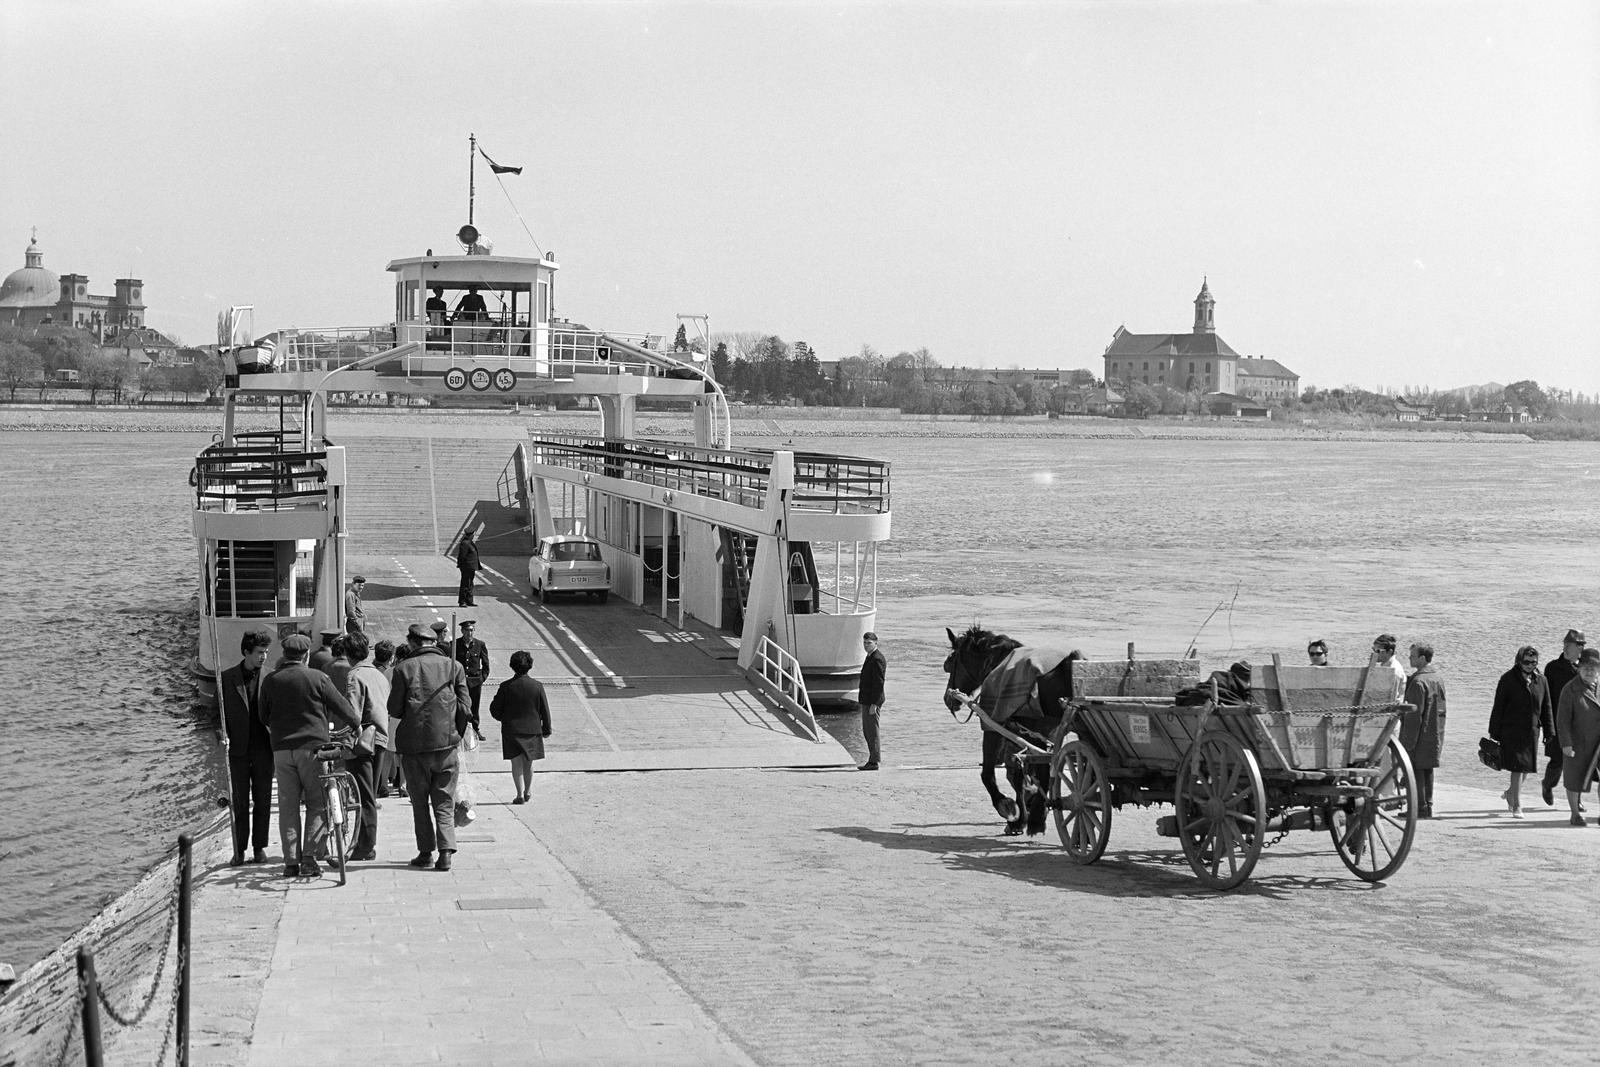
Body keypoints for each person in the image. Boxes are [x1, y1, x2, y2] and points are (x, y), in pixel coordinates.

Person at [258, 632, 361, 878]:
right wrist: (356, 724)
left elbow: (263, 716)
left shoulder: (271, 680)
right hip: (313, 750)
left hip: (282, 751)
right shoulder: (318, 678)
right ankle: (309, 858)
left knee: (288, 806)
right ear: (306, 656)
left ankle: (290, 863)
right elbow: (342, 706)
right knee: (317, 803)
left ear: (284, 655)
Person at [388, 622, 470, 871]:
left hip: (414, 748)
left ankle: (425, 852)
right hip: (446, 745)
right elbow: (466, 708)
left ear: (413, 643)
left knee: (420, 802)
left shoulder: (403, 669)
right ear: (434, 643)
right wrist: (456, 733)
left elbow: (394, 709)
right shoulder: (453, 667)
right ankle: (446, 852)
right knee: (444, 801)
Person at [220, 628, 275, 866]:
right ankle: (239, 849)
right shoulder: (227, 678)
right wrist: (221, 734)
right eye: (260, 652)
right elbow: (215, 714)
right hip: (238, 750)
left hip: (264, 748)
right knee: (240, 802)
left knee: (262, 800)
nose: (264, 657)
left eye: (266, 652)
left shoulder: (271, 677)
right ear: (246, 652)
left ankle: (259, 848)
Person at [1487, 645, 1552, 818]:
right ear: (1519, 661)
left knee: (1526, 769)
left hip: (1532, 731)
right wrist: (1494, 732)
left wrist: (1549, 731)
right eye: (1526, 662)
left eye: (1534, 662)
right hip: (1511, 731)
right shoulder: (1507, 679)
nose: (1530, 665)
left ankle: (1510, 793)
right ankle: (1517, 805)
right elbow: (1498, 707)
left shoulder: (1542, 680)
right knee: (1517, 768)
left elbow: (1547, 708)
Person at [343, 632, 390, 861]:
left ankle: (365, 846)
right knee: (369, 793)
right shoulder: (378, 675)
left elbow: (353, 714)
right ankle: (366, 843)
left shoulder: (355, 676)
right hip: (380, 738)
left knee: (363, 796)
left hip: (364, 742)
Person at [489, 650, 552, 804]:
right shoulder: (537, 686)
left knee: (516, 764)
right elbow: (545, 709)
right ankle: (528, 791)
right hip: (532, 730)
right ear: (529, 666)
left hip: (512, 730)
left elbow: (495, 709)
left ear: (512, 666)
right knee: (528, 763)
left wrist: (504, 719)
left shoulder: (505, 686)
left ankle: (519, 794)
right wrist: (546, 729)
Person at [1400, 642, 1447, 819]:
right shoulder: (1437, 678)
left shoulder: (1418, 682)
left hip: (1420, 732)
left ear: (1421, 658)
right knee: (1427, 768)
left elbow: (1413, 714)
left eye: (1412, 655)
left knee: (1416, 768)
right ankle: (1427, 805)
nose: (1409, 658)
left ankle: (1419, 806)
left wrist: (1407, 742)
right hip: (1435, 731)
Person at [1541, 629, 1586, 807]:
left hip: (1581, 724)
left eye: (1569, 645)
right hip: (1558, 722)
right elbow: (1546, 697)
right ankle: (1547, 785)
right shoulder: (1552, 668)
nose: (1565, 648)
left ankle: (1578, 800)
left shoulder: (1587, 668)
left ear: (1580, 648)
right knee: (1558, 761)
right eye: (1564, 644)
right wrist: (1546, 724)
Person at [1556, 647, 1600, 826]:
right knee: (1573, 779)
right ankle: (1575, 814)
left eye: (1594, 668)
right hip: (1578, 743)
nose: (1590, 671)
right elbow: (1562, 720)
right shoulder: (1570, 689)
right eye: (1586, 667)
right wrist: (1566, 744)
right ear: (1579, 668)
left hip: (1599, 744)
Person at [373, 639, 404, 798]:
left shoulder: (387, 672)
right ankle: (403, 785)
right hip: (403, 716)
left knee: (388, 752)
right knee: (403, 753)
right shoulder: (405, 671)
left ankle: (384, 783)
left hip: (388, 716)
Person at [454, 619, 491, 740]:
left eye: (471, 630)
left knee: (474, 706)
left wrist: (482, 678)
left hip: (475, 682)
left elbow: (485, 664)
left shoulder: (480, 644)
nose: (469, 633)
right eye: (467, 630)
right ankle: (459, 729)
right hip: (460, 682)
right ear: (462, 631)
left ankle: (475, 729)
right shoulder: (455, 644)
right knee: (460, 705)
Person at [858, 632, 887, 771]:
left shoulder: (877, 659)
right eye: (864, 642)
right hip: (866, 699)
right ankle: (872, 759)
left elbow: (879, 683)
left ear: (876, 643)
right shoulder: (870, 657)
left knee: (872, 731)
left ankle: (874, 761)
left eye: (869, 643)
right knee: (867, 730)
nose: (866, 645)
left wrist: (875, 704)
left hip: (872, 701)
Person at [1370, 634, 1407, 701]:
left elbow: (1392, 698)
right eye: (1374, 649)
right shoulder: (1385, 667)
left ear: (1389, 652)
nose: (1374, 653)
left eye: (1378, 651)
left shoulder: (1394, 671)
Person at [456, 530, 480, 607]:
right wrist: (461, 565)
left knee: (470, 584)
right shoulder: (465, 543)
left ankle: (469, 601)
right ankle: (462, 601)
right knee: (465, 584)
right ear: (471, 535)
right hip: (466, 567)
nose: (474, 535)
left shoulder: (469, 542)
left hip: (471, 567)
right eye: (473, 534)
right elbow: (462, 556)